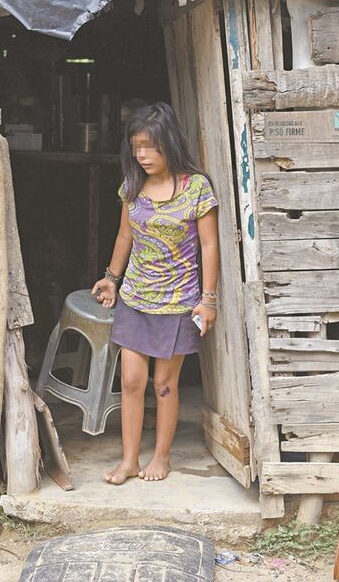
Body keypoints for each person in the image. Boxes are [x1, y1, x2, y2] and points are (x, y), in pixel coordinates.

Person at [91, 102, 219, 484]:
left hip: (179, 302)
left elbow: (210, 246)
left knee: (164, 383)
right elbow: (125, 235)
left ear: (170, 144)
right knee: (131, 381)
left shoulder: (196, 187)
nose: (142, 155)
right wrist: (111, 278)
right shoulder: (132, 187)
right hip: (135, 298)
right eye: (136, 146)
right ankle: (129, 459)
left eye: (150, 146)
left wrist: (208, 299)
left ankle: (161, 457)